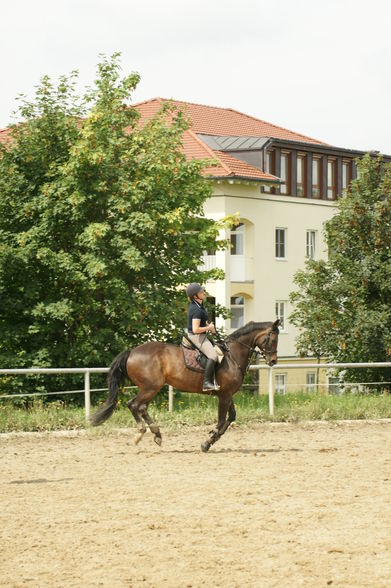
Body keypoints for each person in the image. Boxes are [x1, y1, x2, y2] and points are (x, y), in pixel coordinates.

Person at [185, 283, 220, 392]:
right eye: (201, 292)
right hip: (196, 336)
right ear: (195, 296)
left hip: (201, 334)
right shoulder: (196, 309)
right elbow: (195, 329)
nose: (203, 293)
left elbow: (201, 323)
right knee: (213, 356)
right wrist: (208, 328)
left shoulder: (200, 306)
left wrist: (209, 327)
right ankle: (206, 383)